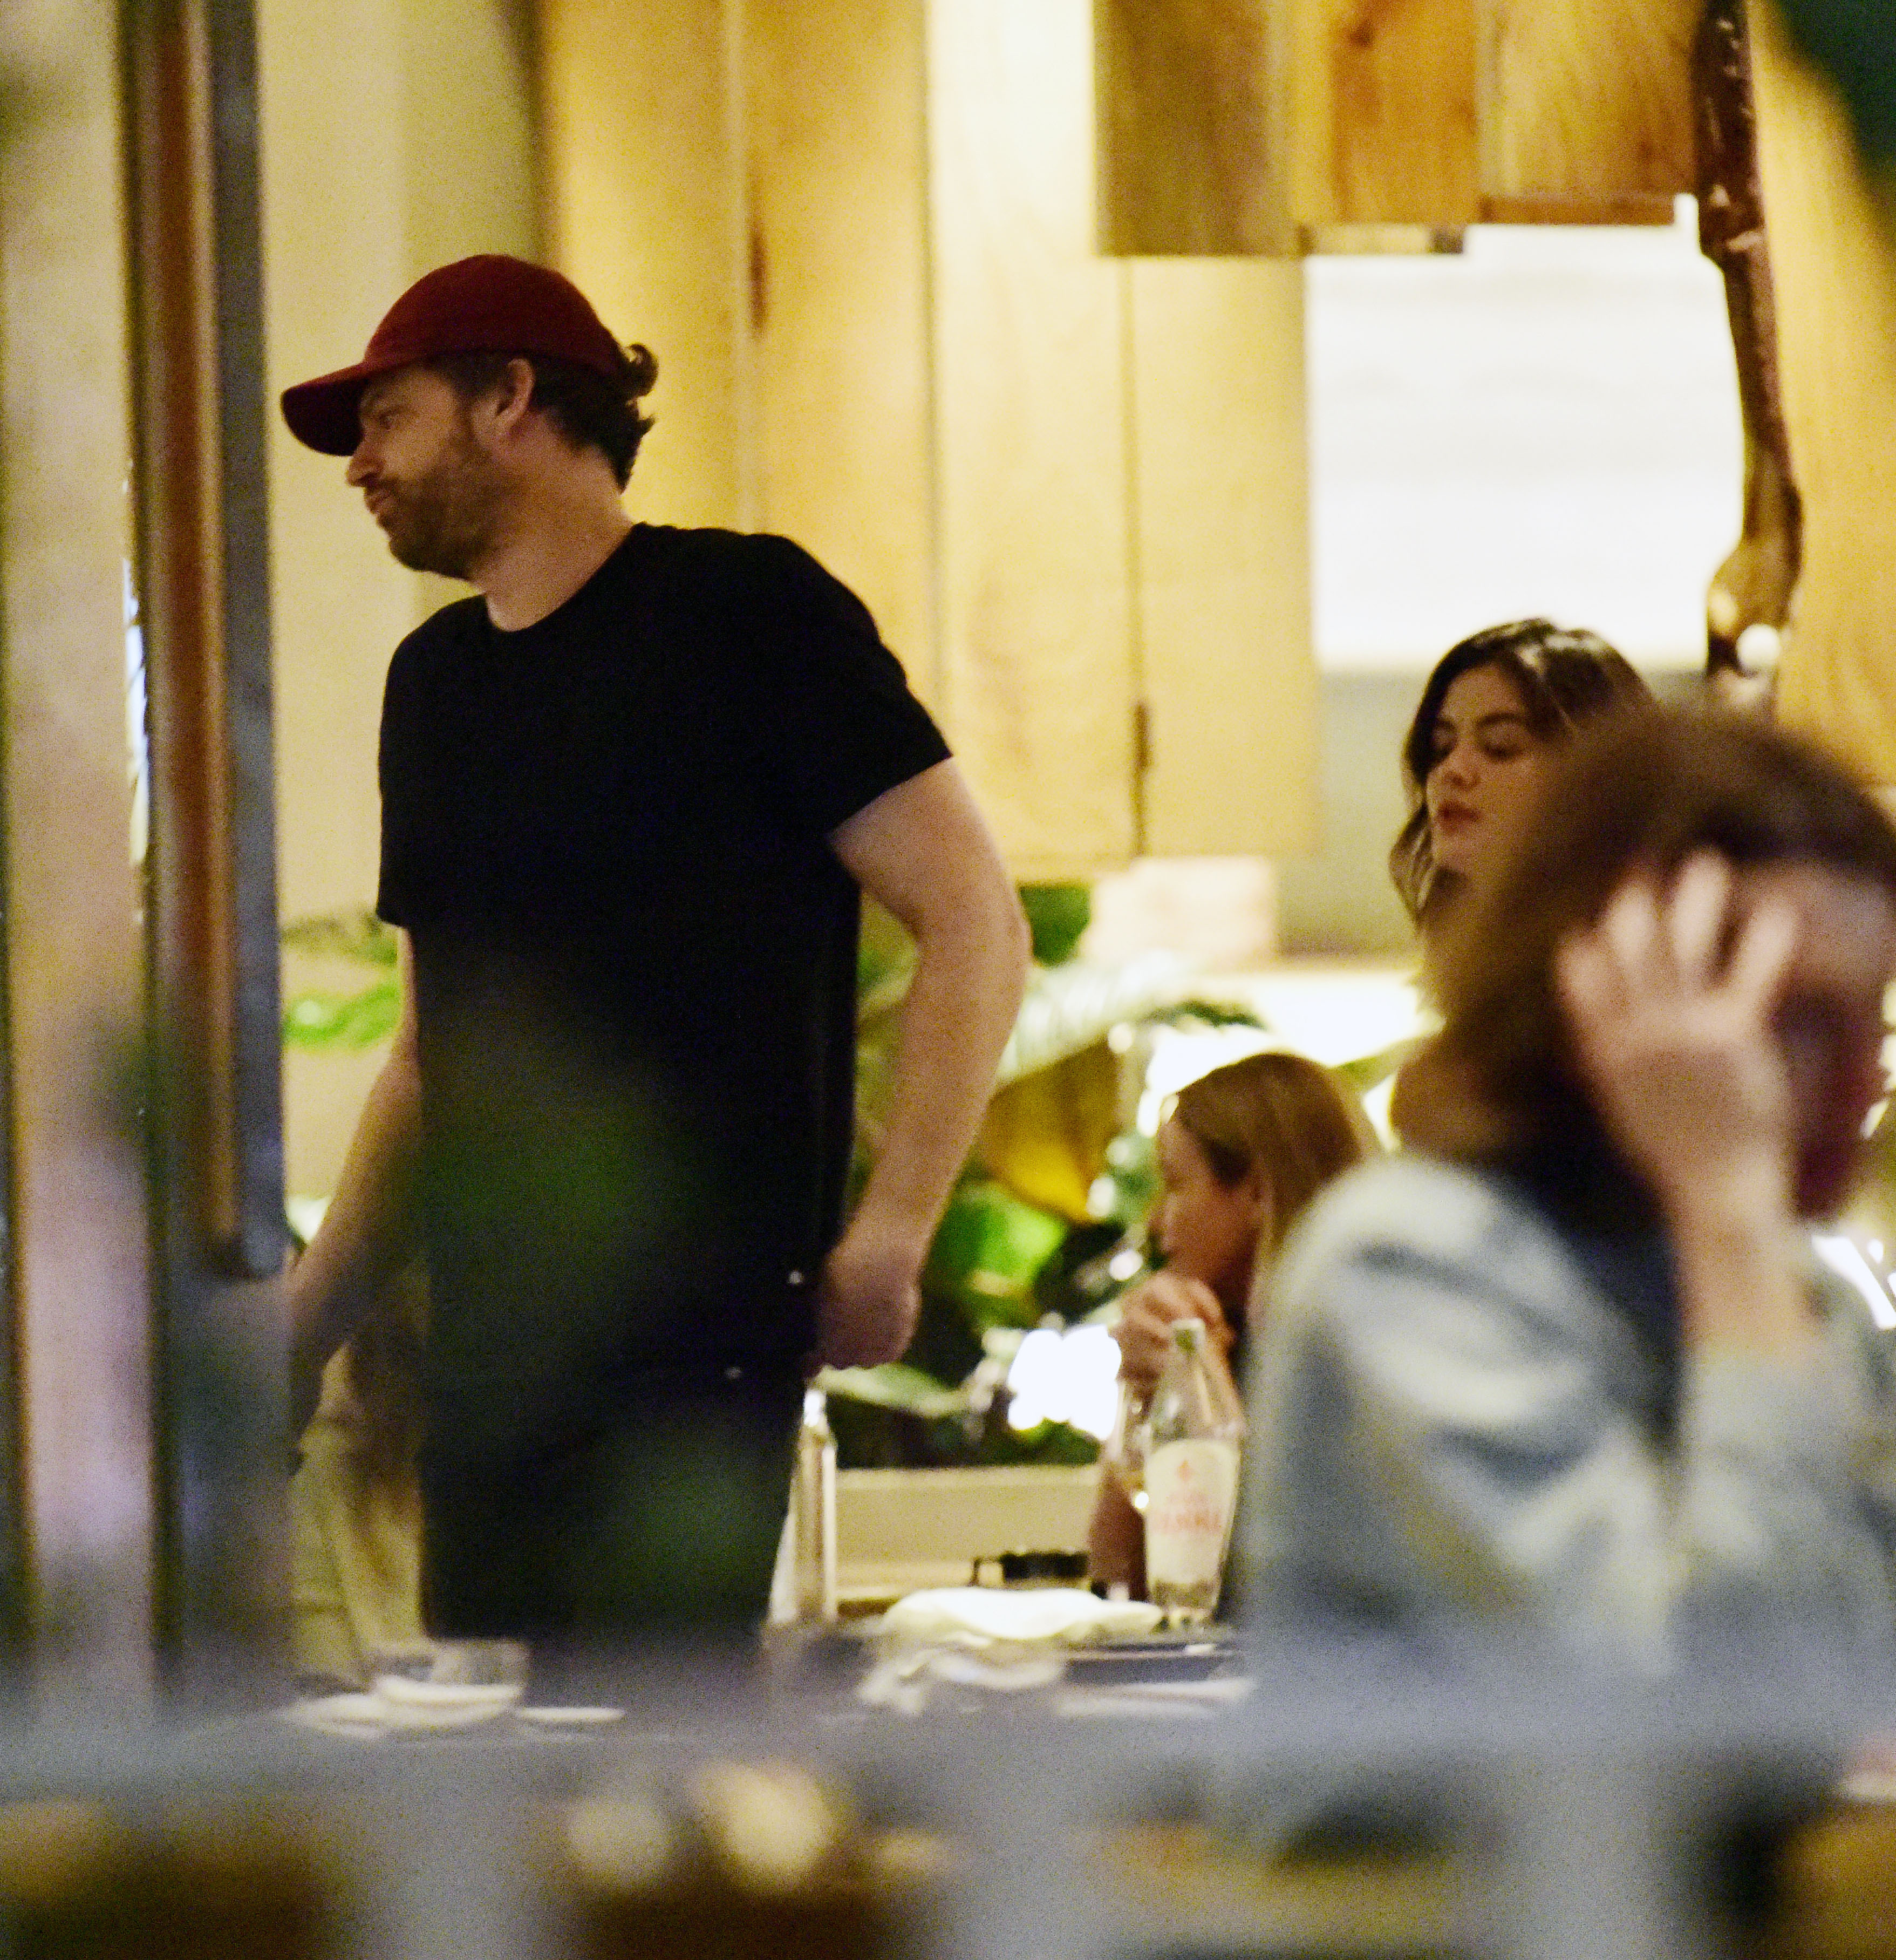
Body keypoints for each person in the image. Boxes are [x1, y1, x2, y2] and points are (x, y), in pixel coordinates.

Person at [279, 255, 1030, 1643]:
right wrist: (312, 1311)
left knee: (646, 1749)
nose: (359, 465)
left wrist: (893, 1231)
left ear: (509, 397)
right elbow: (431, 1055)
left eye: (387, 417)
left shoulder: (747, 614)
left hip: (696, 1350)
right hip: (488, 1362)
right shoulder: (434, 685)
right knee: (495, 1749)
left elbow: (975, 914)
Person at [1250, 704, 1896, 1670]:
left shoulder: (1810, 1303)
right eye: (1798, 1020)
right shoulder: (1407, 1266)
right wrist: (1727, 1210)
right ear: (1603, 986)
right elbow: (1721, 1711)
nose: (1862, 1084)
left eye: (1873, 1022)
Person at [1088, 1051, 1366, 1595]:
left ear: (1259, 1192)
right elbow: (1116, 1579)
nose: (1155, 1219)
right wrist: (1141, 1395)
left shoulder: (1357, 1350)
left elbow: (1290, 1580)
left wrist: (1200, 1389)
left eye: (1174, 1184)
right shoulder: (1220, 1333)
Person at [1389, 619, 1649, 934]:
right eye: (1441, 748)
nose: (1451, 770)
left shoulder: (1646, 950)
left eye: (1500, 746)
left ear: (1596, 773)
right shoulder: (1466, 953)